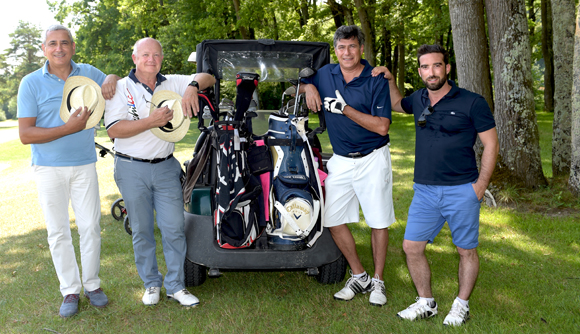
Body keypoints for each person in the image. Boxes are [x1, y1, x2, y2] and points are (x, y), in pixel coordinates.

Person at [372, 44, 499, 326]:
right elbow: (396, 104)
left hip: (461, 189)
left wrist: (479, 186)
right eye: (426, 67)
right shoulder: (418, 99)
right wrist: (391, 81)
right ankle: (426, 302)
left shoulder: (472, 102)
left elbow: (491, 144)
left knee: (466, 250)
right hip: (425, 191)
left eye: (437, 66)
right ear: (420, 71)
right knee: (411, 247)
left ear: (447, 68)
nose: (432, 72)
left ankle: (461, 305)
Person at [17, 24, 119, 318]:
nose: (58, 48)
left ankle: (93, 285)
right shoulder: (31, 83)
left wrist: (111, 77)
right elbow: (26, 134)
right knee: (58, 231)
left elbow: (114, 86)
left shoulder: (87, 72)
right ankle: (70, 291)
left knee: (90, 228)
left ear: (73, 47)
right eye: (52, 43)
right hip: (48, 168)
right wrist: (67, 128)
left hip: (84, 163)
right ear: (44, 49)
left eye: (64, 42)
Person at [104, 37, 215, 308]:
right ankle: (151, 283)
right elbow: (114, 130)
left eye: (156, 55)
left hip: (166, 166)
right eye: (145, 55)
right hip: (131, 167)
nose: (151, 59)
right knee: (142, 229)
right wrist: (150, 122)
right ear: (134, 58)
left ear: (161, 59)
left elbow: (209, 77)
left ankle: (176, 286)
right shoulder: (119, 87)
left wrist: (191, 87)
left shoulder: (173, 82)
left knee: (174, 228)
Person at [300, 25, 396, 307]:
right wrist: (309, 86)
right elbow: (298, 81)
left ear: (361, 49)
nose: (347, 52)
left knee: (378, 221)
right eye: (341, 47)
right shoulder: (326, 73)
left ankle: (378, 280)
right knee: (331, 219)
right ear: (336, 49)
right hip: (341, 160)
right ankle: (359, 275)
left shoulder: (375, 78)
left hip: (373, 156)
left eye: (352, 46)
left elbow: (381, 127)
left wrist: (344, 109)